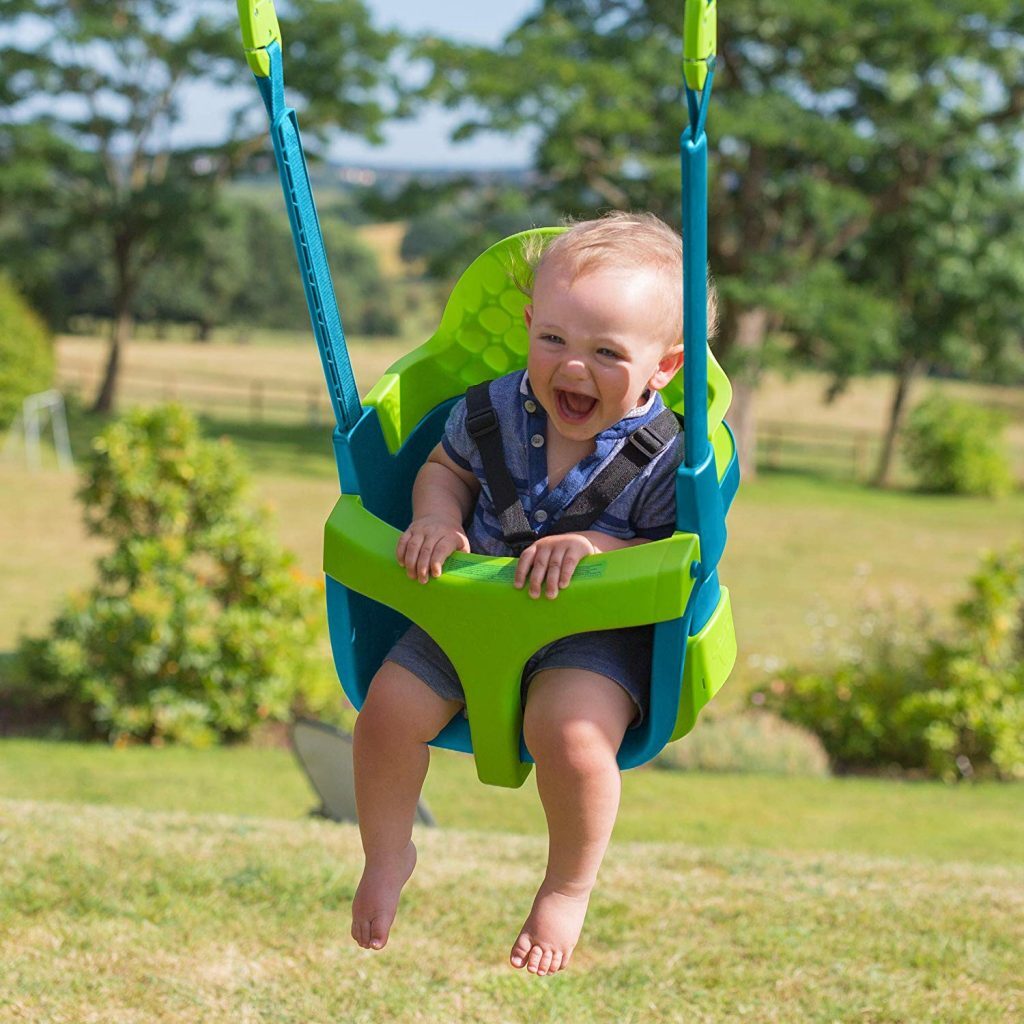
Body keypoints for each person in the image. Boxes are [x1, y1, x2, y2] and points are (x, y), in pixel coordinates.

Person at [350, 211, 717, 975]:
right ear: (527, 326)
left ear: (665, 366)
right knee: (385, 714)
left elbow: (673, 551)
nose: (571, 368)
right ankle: (386, 854)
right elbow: (445, 470)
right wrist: (435, 519)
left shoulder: (668, 455)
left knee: (574, 742)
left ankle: (567, 885)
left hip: (591, 639)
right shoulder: (488, 412)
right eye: (553, 339)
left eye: (606, 352)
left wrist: (594, 549)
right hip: (469, 614)